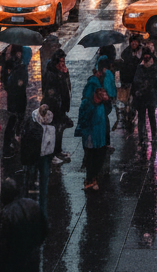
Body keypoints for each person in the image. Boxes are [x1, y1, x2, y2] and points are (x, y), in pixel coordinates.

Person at [0, 178, 49, 272]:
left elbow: (0, 247)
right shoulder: (32, 205)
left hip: (14, 268)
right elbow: (45, 229)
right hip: (32, 264)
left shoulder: (6, 215)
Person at [76, 62, 110, 191]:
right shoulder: (87, 103)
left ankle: (93, 177)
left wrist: (107, 102)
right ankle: (90, 179)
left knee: (100, 158)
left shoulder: (102, 103)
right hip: (90, 137)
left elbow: (107, 112)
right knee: (91, 159)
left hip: (100, 136)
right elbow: (83, 119)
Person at [21, 103, 56, 218]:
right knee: (34, 183)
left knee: (36, 184)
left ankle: (36, 213)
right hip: (34, 157)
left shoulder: (44, 122)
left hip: (41, 156)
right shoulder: (32, 124)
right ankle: (35, 213)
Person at [43, 49, 71, 164]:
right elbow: (52, 92)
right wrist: (62, 76)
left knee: (60, 130)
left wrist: (65, 74)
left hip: (61, 106)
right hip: (54, 108)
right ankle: (53, 154)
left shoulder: (60, 72)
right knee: (54, 130)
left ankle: (58, 150)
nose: (63, 64)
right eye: (61, 61)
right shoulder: (51, 74)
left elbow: (66, 86)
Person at [3, 48, 29, 158]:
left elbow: (25, 80)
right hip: (13, 97)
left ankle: (17, 137)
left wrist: (22, 83)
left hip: (20, 96)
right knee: (12, 120)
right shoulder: (9, 65)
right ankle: (10, 143)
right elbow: (4, 79)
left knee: (20, 117)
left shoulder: (23, 66)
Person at [131, 50, 157, 145]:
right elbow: (136, 82)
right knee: (142, 118)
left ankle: (154, 136)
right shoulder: (140, 68)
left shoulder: (154, 68)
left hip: (150, 97)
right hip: (142, 98)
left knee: (151, 117)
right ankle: (142, 137)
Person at [118, 36, 144, 132]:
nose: (133, 43)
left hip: (138, 82)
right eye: (132, 42)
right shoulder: (126, 53)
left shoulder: (142, 52)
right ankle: (128, 117)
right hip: (128, 81)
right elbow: (123, 69)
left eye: (135, 42)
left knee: (136, 101)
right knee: (128, 102)